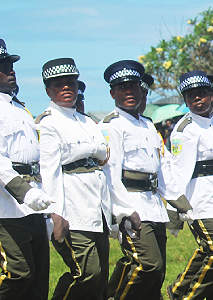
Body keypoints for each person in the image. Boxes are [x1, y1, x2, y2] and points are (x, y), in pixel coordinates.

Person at [36, 58, 141, 300]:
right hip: (72, 212)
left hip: (97, 211)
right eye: (58, 84)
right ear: (47, 90)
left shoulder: (87, 122)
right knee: (87, 273)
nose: (66, 88)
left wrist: (123, 209)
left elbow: (107, 170)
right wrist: (56, 215)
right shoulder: (48, 123)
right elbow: (49, 173)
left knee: (100, 281)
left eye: (70, 83)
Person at [100, 60, 190, 300]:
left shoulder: (148, 125)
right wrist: (123, 210)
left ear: (141, 91)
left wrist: (178, 203)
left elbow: (162, 170)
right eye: (122, 88)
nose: (129, 92)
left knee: (157, 272)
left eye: (133, 87)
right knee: (147, 264)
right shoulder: (112, 126)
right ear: (112, 93)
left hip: (154, 207)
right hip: (132, 205)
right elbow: (110, 173)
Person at [167, 70, 213, 300]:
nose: (197, 99)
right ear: (185, 100)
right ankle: (188, 295)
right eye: (191, 96)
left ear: (212, 95)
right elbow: (177, 172)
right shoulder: (184, 130)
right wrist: (175, 210)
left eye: (202, 94)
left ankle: (180, 290)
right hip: (200, 201)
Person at [0, 38, 53, 300]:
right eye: (3, 66)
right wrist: (25, 192)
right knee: (18, 273)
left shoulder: (20, 108)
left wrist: (48, 206)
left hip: (34, 205)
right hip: (6, 208)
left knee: (38, 280)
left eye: (10, 64)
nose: (11, 70)